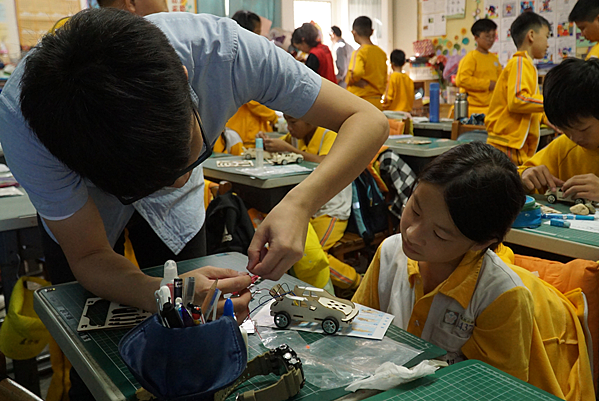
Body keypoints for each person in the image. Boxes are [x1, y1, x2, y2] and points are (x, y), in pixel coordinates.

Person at [0, 8, 388, 396]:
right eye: (157, 181)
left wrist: (301, 202)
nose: (182, 179)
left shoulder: (226, 53)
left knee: (195, 347)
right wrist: (161, 294)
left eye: (190, 154)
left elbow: (368, 120)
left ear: (185, 83)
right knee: (93, 361)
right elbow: (86, 256)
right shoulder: (26, 126)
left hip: (178, 215)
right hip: (84, 220)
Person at [352, 142, 594, 400]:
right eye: (415, 209)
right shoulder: (391, 252)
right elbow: (358, 332)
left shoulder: (499, 296)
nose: (411, 233)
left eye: (439, 234)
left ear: (482, 242)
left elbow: (498, 392)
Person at [257, 115, 362, 292]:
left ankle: (356, 281)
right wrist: (267, 143)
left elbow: (329, 162)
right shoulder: (295, 137)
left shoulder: (330, 134)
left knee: (312, 255)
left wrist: (289, 150)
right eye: (287, 122)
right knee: (291, 249)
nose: (289, 128)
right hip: (304, 208)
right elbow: (281, 147)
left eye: (293, 122)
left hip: (330, 207)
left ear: (311, 120)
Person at [519, 58, 599, 202]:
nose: (575, 138)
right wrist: (526, 175)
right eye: (566, 131)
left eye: (583, 129)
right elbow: (517, 176)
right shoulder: (564, 148)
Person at [485, 11, 550, 165]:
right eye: (547, 36)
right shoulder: (520, 63)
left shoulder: (526, 64)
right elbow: (518, 100)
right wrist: (552, 102)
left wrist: (546, 117)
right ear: (531, 35)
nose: (548, 44)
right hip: (507, 142)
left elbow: (528, 104)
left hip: (513, 142)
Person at [224, 10, 278, 149]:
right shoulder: (242, 59)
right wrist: (273, 117)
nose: (260, 37)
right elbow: (253, 99)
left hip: (246, 129)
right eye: (257, 32)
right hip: (245, 131)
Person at [455, 18, 503, 116]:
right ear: (476, 38)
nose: (490, 40)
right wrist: (487, 84)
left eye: (493, 36)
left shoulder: (494, 59)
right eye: (487, 36)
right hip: (473, 108)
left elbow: (501, 80)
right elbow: (461, 80)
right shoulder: (471, 57)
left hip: (491, 107)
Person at [346, 16, 388, 110]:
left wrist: (353, 80)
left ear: (354, 33)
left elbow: (356, 72)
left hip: (360, 101)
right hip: (377, 102)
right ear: (372, 32)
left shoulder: (359, 52)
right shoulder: (381, 53)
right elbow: (385, 77)